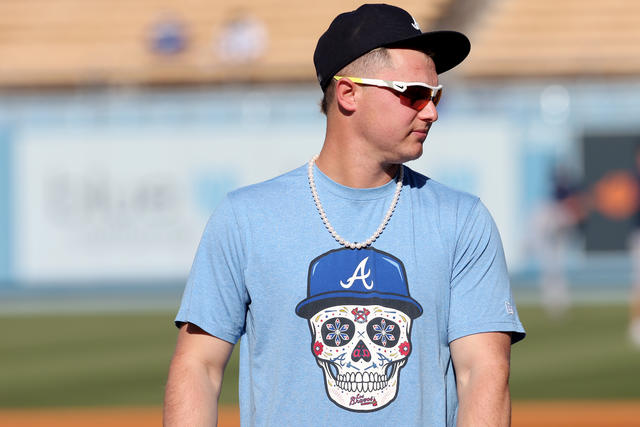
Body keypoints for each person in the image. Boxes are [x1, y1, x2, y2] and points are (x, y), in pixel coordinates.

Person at [164, 4, 525, 426]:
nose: (431, 111)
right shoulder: (246, 217)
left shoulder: (463, 220)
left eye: (436, 95)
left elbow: (483, 372)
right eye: (413, 93)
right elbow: (198, 368)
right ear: (348, 93)